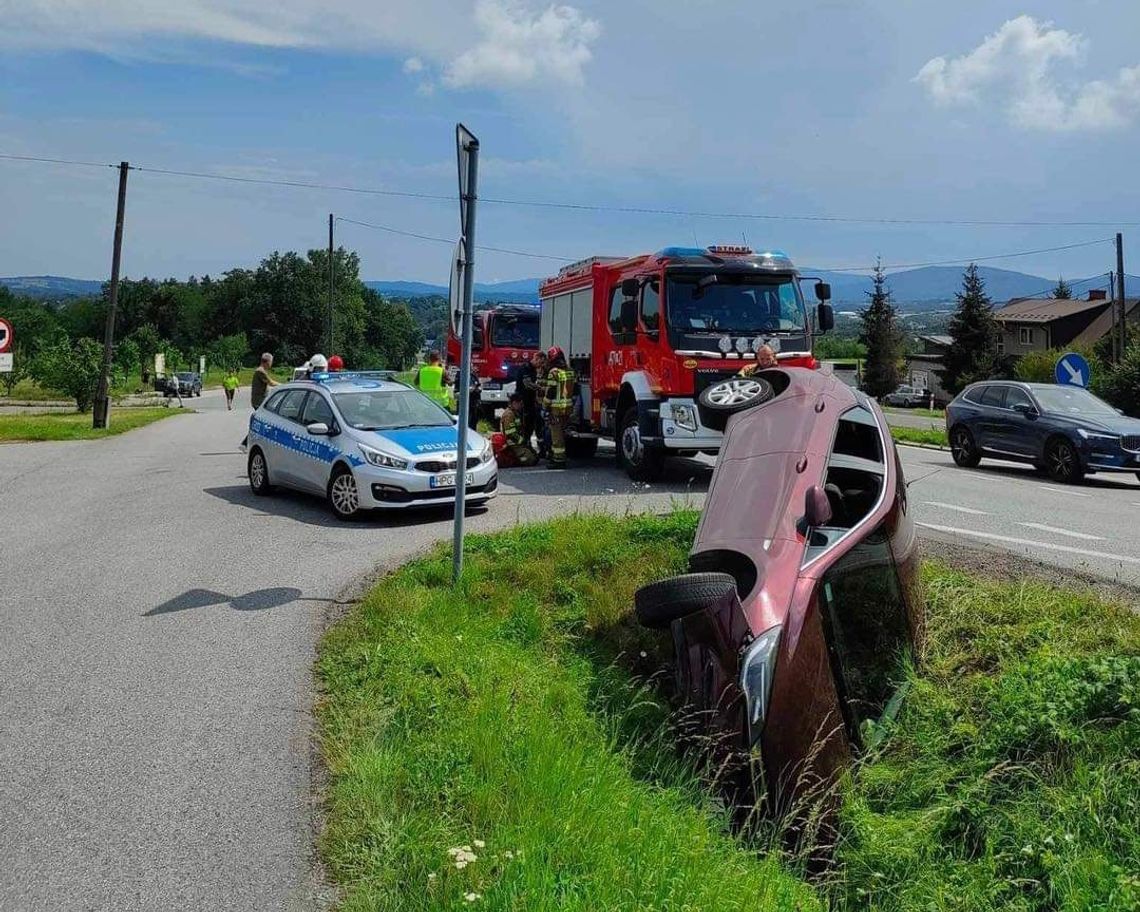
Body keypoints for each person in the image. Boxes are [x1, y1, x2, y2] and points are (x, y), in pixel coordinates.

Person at [542, 346, 576, 469]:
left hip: (555, 409)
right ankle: (559, 457)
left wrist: (545, 406)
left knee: (557, 436)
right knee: (562, 433)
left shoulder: (554, 373)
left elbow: (550, 391)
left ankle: (558, 460)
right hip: (567, 409)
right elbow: (574, 389)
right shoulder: (570, 370)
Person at [497, 391, 538, 467]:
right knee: (531, 460)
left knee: (535, 456)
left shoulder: (515, 413)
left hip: (517, 443)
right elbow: (510, 433)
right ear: (514, 403)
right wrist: (522, 441)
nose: (521, 406)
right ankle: (514, 460)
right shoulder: (509, 415)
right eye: (520, 403)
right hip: (512, 445)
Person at [516, 350, 546, 452]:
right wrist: (540, 388)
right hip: (523, 401)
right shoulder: (526, 368)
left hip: (531, 402)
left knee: (534, 425)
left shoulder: (533, 370)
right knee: (525, 425)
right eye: (540, 362)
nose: (541, 365)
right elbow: (527, 384)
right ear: (536, 359)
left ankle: (535, 447)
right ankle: (525, 447)